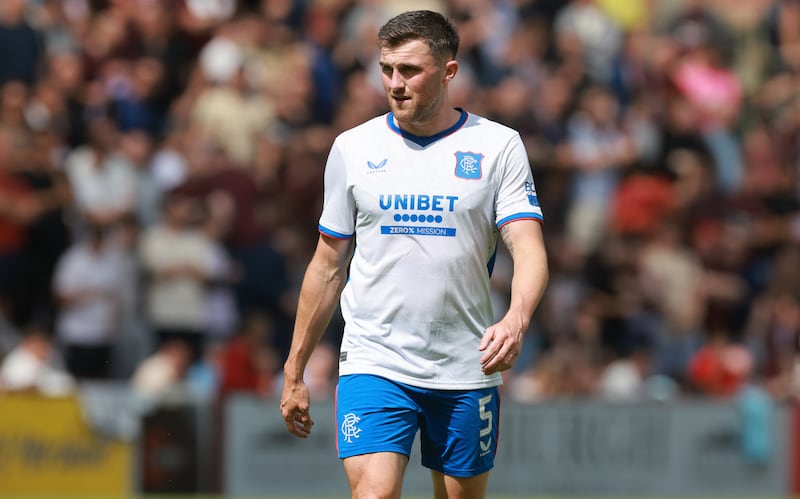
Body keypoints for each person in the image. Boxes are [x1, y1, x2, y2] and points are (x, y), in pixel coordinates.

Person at [279, 10, 548, 499]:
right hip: (374, 357)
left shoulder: (498, 147)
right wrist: (294, 369)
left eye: (410, 70)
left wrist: (516, 318)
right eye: (387, 70)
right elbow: (326, 265)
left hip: (467, 362)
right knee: (375, 493)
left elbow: (528, 248)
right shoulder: (353, 149)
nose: (396, 84)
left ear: (448, 71)